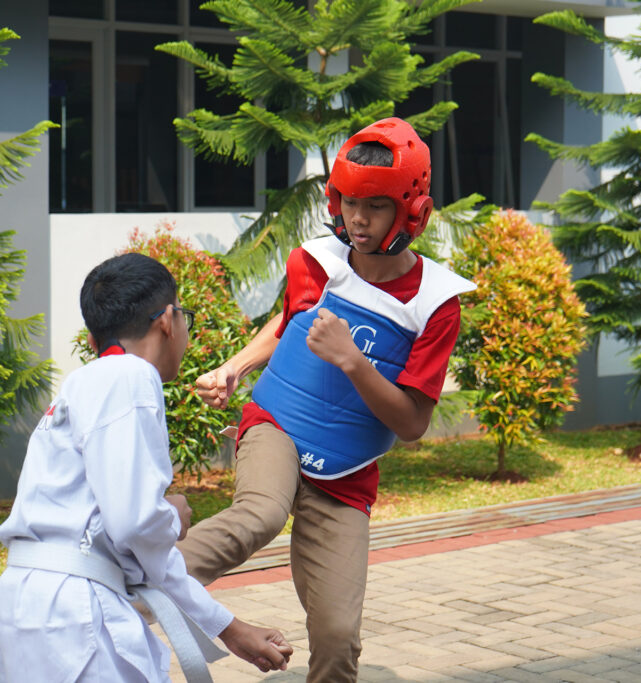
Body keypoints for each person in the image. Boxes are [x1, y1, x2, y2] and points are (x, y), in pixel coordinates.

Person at [177, 117, 476, 682]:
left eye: (376, 205)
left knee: (338, 636)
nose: (358, 219)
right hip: (278, 424)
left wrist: (353, 361)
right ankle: (136, 580)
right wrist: (234, 366)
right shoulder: (316, 262)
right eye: (349, 201)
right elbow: (291, 322)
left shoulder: (437, 303)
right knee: (259, 514)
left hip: (349, 471)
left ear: (412, 210)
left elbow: (412, 423)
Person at [0, 252, 293, 683]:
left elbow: (145, 551)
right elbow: (134, 525)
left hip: (29, 602)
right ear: (168, 320)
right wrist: (172, 515)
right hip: (72, 610)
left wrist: (232, 630)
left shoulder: (85, 382)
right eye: (184, 316)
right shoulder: (130, 377)